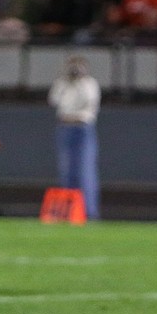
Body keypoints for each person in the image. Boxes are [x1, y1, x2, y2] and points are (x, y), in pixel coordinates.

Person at [48, 55, 100, 219]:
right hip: (64, 126)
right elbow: (54, 100)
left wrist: (79, 81)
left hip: (82, 127)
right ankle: (69, 211)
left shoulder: (89, 84)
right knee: (66, 171)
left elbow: (88, 100)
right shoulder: (62, 83)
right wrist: (65, 81)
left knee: (85, 171)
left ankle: (89, 212)